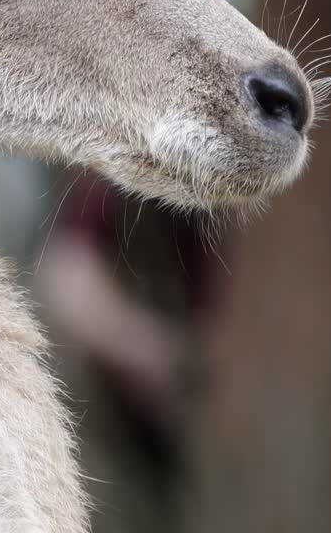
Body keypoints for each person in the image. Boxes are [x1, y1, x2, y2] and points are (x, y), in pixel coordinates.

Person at [37, 175, 215, 533]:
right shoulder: (117, 180)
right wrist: (136, 348)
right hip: (98, 419)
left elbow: (203, 321)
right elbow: (65, 278)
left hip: (158, 435)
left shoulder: (204, 208)